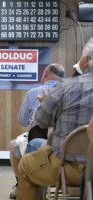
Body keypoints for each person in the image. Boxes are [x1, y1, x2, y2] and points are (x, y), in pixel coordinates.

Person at [16, 37, 93, 200]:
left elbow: (40, 122)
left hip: (68, 166)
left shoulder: (67, 87)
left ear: (86, 61)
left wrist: (48, 105)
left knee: (25, 165)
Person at [9, 63, 65, 199]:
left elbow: (22, 121)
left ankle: (20, 184)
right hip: (68, 147)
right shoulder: (69, 92)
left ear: (45, 74)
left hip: (39, 144)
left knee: (12, 145)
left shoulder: (33, 93)